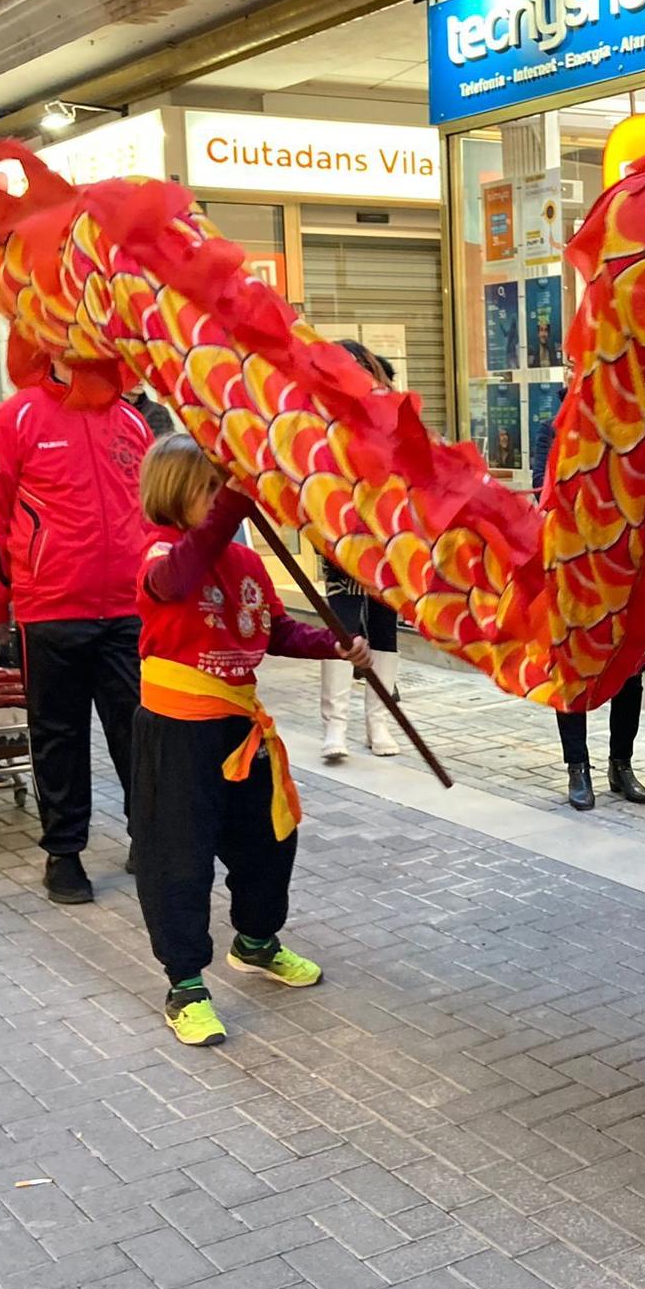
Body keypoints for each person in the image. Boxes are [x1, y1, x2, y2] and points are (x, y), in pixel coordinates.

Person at [131, 435, 373, 1047]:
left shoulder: (242, 562)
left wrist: (335, 645)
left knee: (270, 843)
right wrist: (233, 505)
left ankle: (256, 940)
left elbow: (276, 629)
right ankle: (184, 984)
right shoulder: (159, 555)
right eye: (208, 491)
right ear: (173, 494)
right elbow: (178, 574)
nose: (221, 503)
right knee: (179, 861)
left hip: (241, 725)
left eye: (223, 490)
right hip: (178, 734)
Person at [0, 362, 149, 905]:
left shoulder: (131, 421)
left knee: (139, 731)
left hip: (128, 607)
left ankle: (149, 835)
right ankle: (64, 853)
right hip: (50, 609)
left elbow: (152, 511)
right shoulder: (16, 417)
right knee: (58, 736)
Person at [526, 405, 645, 809]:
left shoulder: (634, 430)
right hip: (573, 565)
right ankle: (577, 768)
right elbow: (544, 495)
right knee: (572, 669)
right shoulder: (557, 429)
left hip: (624, 566)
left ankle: (621, 764)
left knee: (629, 672)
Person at [320, 341, 403, 763]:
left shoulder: (390, 410)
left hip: (387, 534)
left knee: (384, 627)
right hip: (340, 531)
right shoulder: (322, 414)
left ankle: (380, 722)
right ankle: (335, 726)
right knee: (343, 624)